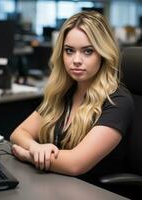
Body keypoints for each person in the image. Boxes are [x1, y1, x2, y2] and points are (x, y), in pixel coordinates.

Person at [10, 11, 134, 184]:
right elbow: (19, 133)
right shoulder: (64, 92)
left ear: (103, 54)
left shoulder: (117, 100)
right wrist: (36, 147)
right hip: (57, 185)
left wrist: (28, 155)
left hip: (96, 192)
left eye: (88, 51)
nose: (76, 60)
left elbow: (75, 164)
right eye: (69, 50)